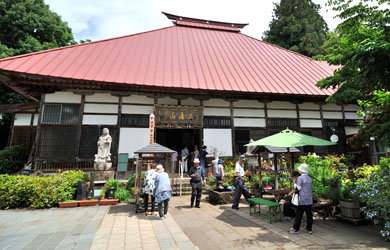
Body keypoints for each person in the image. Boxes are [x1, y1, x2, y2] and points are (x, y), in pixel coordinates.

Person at [288, 163, 313, 234]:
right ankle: (309, 229)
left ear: (301, 171)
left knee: (299, 214)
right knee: (309, 215)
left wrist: (294, 183)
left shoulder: (301, 178)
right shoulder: (309, 178)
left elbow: (298, 188)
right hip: (309, 199)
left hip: (302, 199)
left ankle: (296, 229)